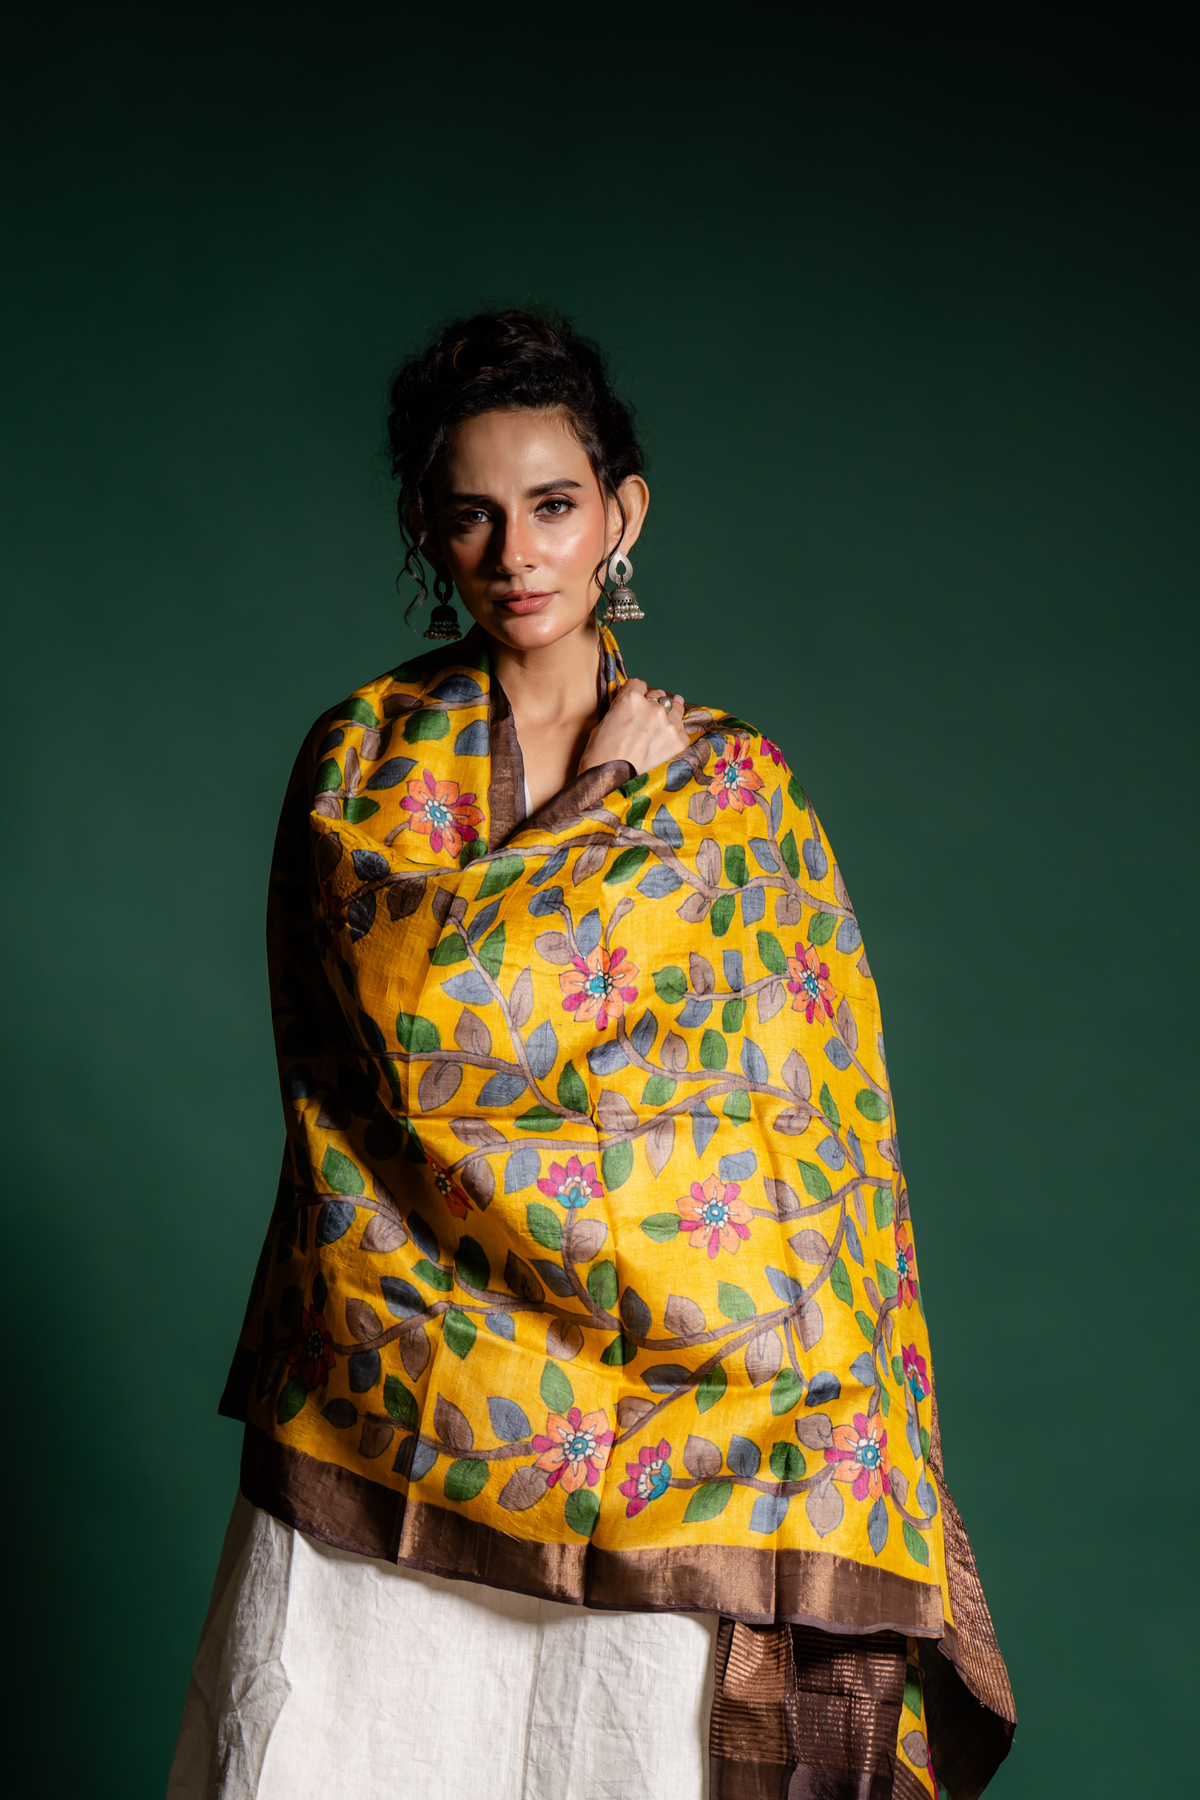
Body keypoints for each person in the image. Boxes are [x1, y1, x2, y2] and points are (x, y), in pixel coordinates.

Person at [169, 310, 1015, 1800]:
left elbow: (807, 1126)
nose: (517, 554)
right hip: (401, 1392)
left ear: (622, 513)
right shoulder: (363, 759)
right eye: (473, 515)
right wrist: (599, 789)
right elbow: (423, 1019)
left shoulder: (735, 791)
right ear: (426, 531)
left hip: (698, 1432)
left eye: (553, 505)